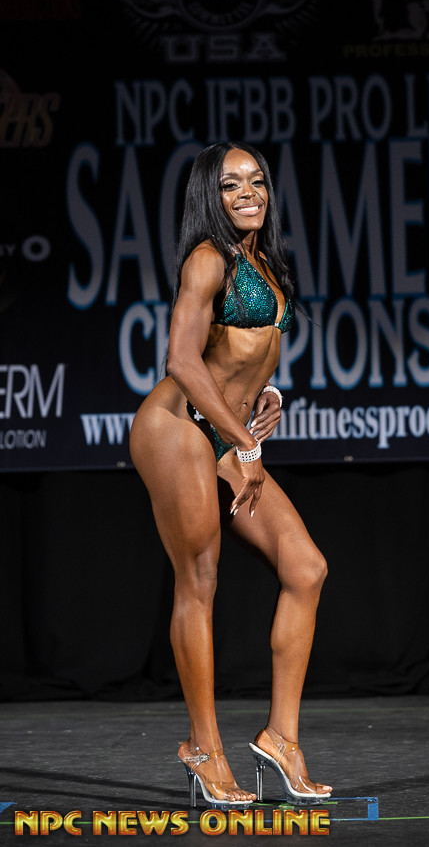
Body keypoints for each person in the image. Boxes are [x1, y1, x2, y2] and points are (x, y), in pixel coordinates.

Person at [129, 142, 331, 810]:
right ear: (207, 198)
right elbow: (184, 361)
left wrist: (266, 396)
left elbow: (243, 354)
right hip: (176, 426)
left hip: (225, 430)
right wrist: (244, 441)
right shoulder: (207, 259)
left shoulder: (263, 260)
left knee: (306, 569)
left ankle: (281, 738)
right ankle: (204, 747)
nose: (248, 192)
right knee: (201, 578)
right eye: (230, 184)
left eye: (256, 180)